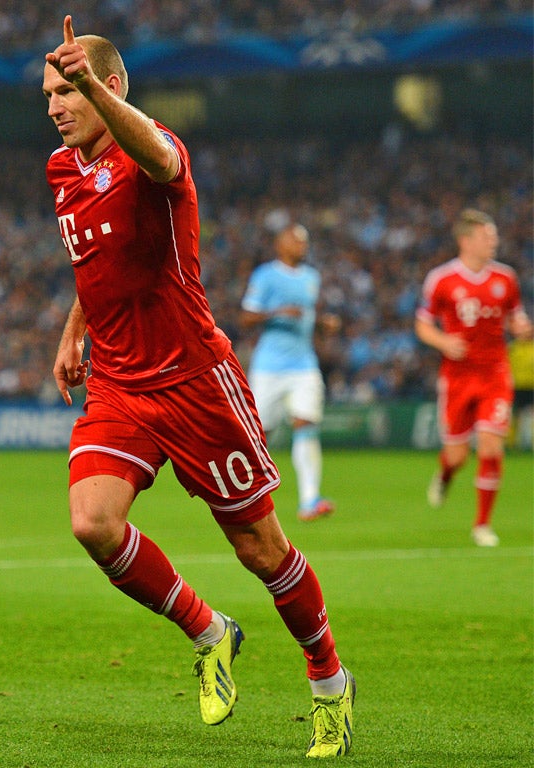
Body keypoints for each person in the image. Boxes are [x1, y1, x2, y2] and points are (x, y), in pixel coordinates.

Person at [44, 17, 354, 758]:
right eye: (50, 92)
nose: (56, 105)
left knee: (261, 548)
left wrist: (95, 88)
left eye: (71, 89)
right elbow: (100, 265)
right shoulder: (62, 170)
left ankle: (329, 681)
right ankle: (211, 632)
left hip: (195, 383)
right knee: (92, 523)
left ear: (110, 86)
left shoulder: (155, 150)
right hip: (120, 384)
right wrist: (72, 331)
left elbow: (155, 155)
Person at [415, 208, 532, 547]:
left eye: (493, 237)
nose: (493, 242)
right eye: (486, 237)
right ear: (466, 240)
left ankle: (482, 524)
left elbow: (515, 317)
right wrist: (443, 341)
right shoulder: (442, 279)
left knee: (492, 445)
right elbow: (423, 323)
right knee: (457, 456)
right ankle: (446, 474)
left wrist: (521, 328)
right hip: (457, 377)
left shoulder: (505, 278)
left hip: (496, 372)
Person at [240, 223, 341, 522]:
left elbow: (308, 314)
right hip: (269, 367)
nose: (301, 244)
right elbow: (246, 317)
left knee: (305, 423)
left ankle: (310, 499)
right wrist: (277, 313)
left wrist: (324, 324)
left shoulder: (312, 277)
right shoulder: (266, 275)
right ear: (279, 244)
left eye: (304, 240)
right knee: (260, 434)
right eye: (295, 239)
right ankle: (244, 496)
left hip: (303, 365)